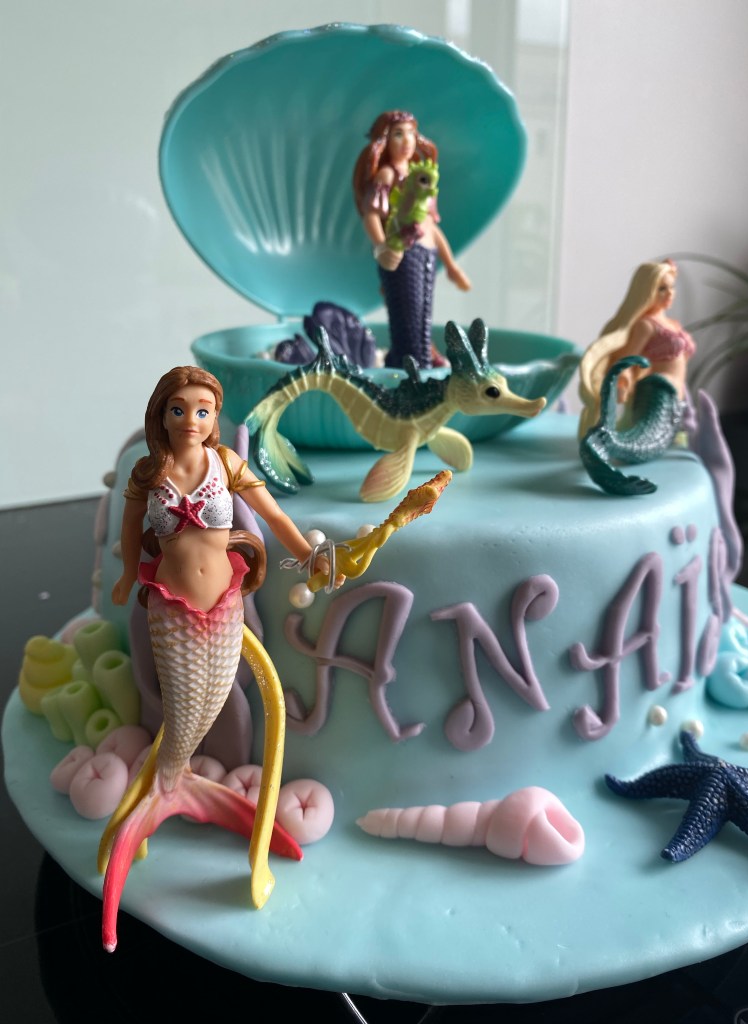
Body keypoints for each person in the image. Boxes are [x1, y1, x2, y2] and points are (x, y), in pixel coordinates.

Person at [100, 365, 341, 951]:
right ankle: (168, 786)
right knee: (184, 712)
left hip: (226, 603)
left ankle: (176, 787)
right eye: (179, 409)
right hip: (172, 609)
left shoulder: (227, 464)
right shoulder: (148, 472)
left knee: (216, 696)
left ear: (214, 416)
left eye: (203, 410)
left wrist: (308, 555)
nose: (191, 419)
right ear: (162, 414)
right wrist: (128, 574)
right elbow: (131, 529)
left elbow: (275, 516)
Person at [352, 111, 471, 369]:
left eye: (411, 133)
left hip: (427, 254)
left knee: (422, 317)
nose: (407, 140)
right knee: (407, 317)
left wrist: (451, 266)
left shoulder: (420, 174)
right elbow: (371, 216)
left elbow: (430, 227)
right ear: (385, 140)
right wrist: (381, 246)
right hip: (402, 254)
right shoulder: (388, 175)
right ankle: (407, 366)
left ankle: (422, 359)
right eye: (398, 134)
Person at [578, 259, 696, 438]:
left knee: (672, 436)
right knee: (649, 436)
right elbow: (628, 357)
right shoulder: (646, 325)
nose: (670, 293)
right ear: (647, 291)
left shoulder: (672, 324)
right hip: (659, 390)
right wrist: (623, 379)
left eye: (672, 287)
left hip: (679, 394)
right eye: (662, 289)